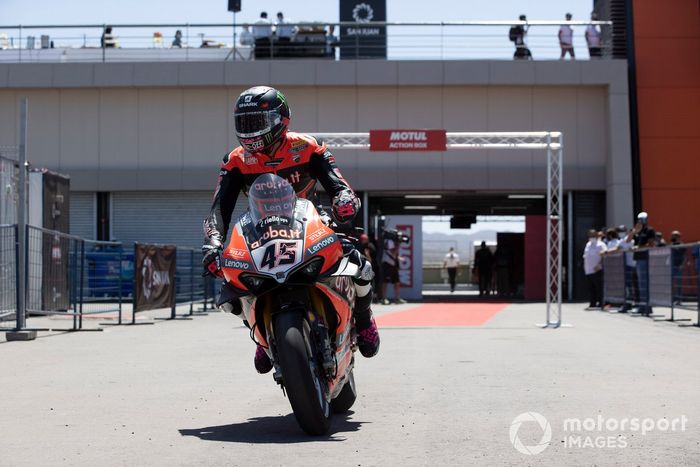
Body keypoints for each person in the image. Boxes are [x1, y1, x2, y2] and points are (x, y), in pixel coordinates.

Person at [202, 86, 380, 373]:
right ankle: (263, 340)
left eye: (256, 123)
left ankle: (364, 318)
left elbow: (338, 183)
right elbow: (219, 209)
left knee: (359, 263)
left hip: (310, 221)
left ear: (280, 119)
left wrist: (344, 200)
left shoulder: (308, 146)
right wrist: (213, 243)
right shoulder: (235, 160)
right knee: (231, 288)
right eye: (244, 124)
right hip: (259, 230)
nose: (250, 132)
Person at [629, 212, 656, 315]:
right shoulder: (638, 231)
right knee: (639, 283)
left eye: (642, 220)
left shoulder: (650, 230)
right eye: (639, 219)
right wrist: (634, 231)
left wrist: (638, 248)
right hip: (637, 259)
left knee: (643, 283)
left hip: (645, 258)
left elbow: (651, 244)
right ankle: (643, 305)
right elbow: (628, 240)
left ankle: (645, 306)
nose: (640, 221)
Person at [583, 229, 607, 309]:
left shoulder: (601, 244)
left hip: (597, 269)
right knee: (591, 288)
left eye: (593, 236)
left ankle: (601, 303)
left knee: (599, 287)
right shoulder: (588, 244)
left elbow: (605, 255)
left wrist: (600, 265)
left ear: (596, 236)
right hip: (588, 270)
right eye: (590, 236)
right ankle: (592, 303)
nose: (591, 237)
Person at [381, 233, 405, 304]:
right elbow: (392, 252)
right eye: (398, 236)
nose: (399, 238)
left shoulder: (394, 242)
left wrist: (399, 258)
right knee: (385, 281)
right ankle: (384, 298)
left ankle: (397, 298)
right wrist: (398, 244)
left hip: (393, 264)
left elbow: (394, 255)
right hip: (387, 264)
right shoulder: (389, 242)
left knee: (397, 282)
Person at [670, 230, 684, 304]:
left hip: (679, 266)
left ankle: (679, 299)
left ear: (678, 236)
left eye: (674, 236)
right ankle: (673, 299)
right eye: (672, 235)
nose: (673, 237)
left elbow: (685, 256)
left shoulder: (682, 245)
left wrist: (682, 265)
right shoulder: (671, 244)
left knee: (679, 284)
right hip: (672, 265)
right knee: (671, 284)